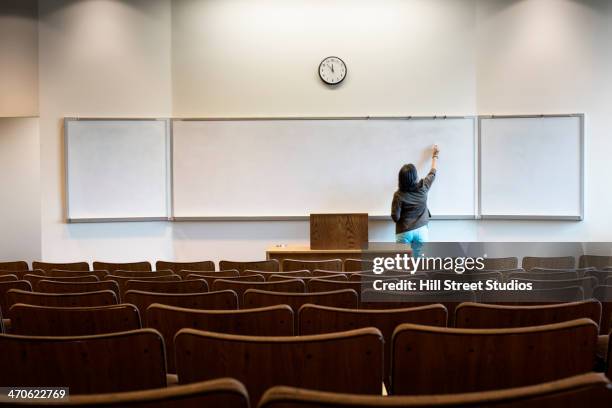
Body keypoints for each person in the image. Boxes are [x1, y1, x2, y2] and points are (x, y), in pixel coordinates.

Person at [391, 144, 439, 258]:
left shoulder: (398, 195)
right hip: (422, 230)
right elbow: (433, 173)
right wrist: (435, 156)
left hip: (404, 232)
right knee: (421, 265)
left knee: (403, 264)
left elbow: (395, 217)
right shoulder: (423, 187)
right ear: (415, 176)